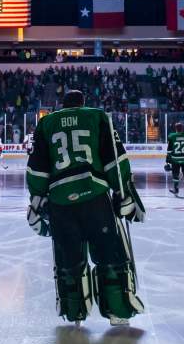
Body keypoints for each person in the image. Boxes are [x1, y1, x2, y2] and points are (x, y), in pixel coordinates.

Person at [26, 90, 145, 327]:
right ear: (82, 103)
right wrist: (123, 193)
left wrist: (37, 200)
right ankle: (117, 311)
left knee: (68, 259)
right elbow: (115, 159)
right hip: (95, 197)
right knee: (109, 255)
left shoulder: (46, 123)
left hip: (61, 203)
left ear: (63, 105)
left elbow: (37, 168)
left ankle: (74, 311)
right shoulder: (97, 117)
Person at [165, 122, 184, 196]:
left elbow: (169, 150)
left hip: (175, 159)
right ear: (182, 128)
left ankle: (176, 189)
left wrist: (167, 161)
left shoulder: (171, 136)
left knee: (175, 174)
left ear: (175, 128)